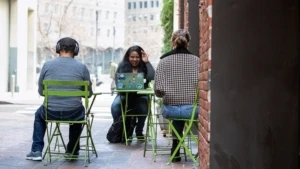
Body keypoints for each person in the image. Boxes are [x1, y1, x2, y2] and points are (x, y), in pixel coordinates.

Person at [26, 37, 93, 161]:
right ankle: (72, 150)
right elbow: (88, 94)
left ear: (58, 49)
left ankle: (36, 151)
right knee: (79, 112)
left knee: (38, 115)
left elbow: (41, 92)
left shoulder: (47, 65)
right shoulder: (82, 67)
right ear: (76, 50)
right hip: (73, 113)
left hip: (50, 112)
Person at [154, 29, 199, 162]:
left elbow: (158, 91)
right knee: (186, 113)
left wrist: (171, 92)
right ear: (188, 42)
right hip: (192, 110)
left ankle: (176, 148)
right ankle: (199, 147)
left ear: (172, 41)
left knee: (177, 114)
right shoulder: (197, 61)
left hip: (170, 110)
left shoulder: (163, 61)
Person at [111, 45, 155, 139]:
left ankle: (139, 130)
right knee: (115, 105)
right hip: (124, 94)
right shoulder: (122, 66)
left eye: (137, 57)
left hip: (141, 95)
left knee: (143, 106)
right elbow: (118, 81)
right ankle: (118, 128)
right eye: (132, 57)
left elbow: (152, 76)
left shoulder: (144, 66)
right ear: (128, 57)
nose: (134, 59)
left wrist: (147, 62)